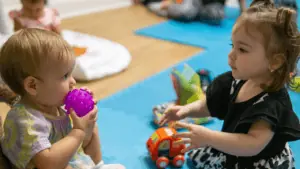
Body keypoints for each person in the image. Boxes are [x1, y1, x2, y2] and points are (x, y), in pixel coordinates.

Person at [159, 0, 300, 168]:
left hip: (257, 162)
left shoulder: (273, 104)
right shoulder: (238, 80)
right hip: (233, 149)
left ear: (274, 62)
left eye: (242, 50)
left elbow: (252, 145)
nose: (231, 55)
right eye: (232, 45)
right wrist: (186, 110)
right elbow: (211, 104)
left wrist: (209, 137)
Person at [0, 28, 125, 169]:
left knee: (93, 127)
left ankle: (98, 165)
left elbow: (75, 144)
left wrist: (85, 121)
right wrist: (78, 131)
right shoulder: (25, 121)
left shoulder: (50, 103)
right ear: (33, 85)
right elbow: (49, 164)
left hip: (68, 158)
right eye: (65, 76)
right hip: (52, 164)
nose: (73, 82)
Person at [134, 0, 247, 25]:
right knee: (187, 12)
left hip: (213, 5)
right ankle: (159, 6)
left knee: (217, 16)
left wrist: (244, 14)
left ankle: (194, 14)